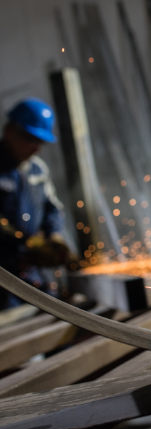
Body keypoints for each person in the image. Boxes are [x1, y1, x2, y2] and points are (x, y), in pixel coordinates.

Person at [0, 98, 70, 310]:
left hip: (29, 272)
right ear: (10, 132)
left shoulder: (37, 170)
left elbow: (52, 208)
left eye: (40, 142)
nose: (36, 149)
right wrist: (24, 241)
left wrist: (54, 236)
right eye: (31, 140)